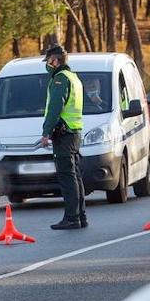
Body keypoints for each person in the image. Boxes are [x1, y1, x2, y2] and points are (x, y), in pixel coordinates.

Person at [38, 45, 87, 230]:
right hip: (74, 132)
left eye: (48, 61)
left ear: (55, 60)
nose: (47, 65)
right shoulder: (73, 77)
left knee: (67, 178)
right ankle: (80, 216)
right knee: (75, 176)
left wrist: (46, 132)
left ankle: (72, 218)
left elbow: (55, 108)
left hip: (64, 134)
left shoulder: (59, 79)